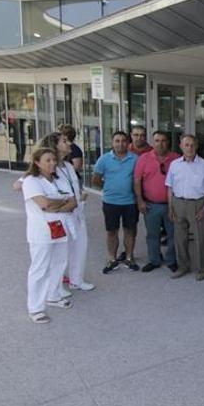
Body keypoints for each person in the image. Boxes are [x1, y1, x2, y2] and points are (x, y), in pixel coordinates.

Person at [21, 148, 78, 323]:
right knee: (40, 269)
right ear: (37, 163)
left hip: (61, 228)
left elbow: (73, 202)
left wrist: (57, 205)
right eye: (47, 160)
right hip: (42, 231)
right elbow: (44, 204)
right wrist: (61, 202)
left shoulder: (59, 179)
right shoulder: (31, 181)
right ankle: (35, 308)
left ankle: (53, 295)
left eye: (53, 159)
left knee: (60, 263)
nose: (52, 163)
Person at [47, 133, 94, 292]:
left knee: (81, 246)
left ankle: (76, 280)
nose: (69, 144)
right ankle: (56, 286)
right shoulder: (47, 167)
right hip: (60, 215)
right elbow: (21, 184)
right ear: (55, 146)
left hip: (77, 211)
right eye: (64, 141)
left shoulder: (67, 166)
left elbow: (73, 185)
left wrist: (80, 196)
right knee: (60, 252)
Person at [92, 131, 140, 273]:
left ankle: (129, 257)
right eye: (117, 141)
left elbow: (139, 180)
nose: (120, 143)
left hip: (130, 202)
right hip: (110, 202)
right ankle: (112, 259)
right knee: (111, 231)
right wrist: (108, 189)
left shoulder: (135, 159)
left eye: (123, 140)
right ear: (112, 143)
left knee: (130, 230)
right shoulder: (104, 159)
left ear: (128, 142)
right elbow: (95, 180)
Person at [133, 131, 181, 273]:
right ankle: (154, 260)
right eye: (157, 140)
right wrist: (140, 200)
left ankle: (171, 260)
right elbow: (137, 181)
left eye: (163, 140)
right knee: (152, 234)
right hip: (151, 204)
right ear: (153, 142)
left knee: (173, 234)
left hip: (171, 205)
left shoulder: (176, 158)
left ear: (168, 142)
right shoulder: (144, 158)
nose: (160, 143)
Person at [166, 134, 204, 280]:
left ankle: (201, 269)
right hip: (178, 202)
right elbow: (169, 187)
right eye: (186, 145)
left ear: (196, 146)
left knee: (200, 238)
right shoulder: (174, 164)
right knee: (180, 238)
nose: (189, 148)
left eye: (192, 145)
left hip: (198, 203)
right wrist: (170, 207)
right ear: (181, 146)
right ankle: (183, 266)